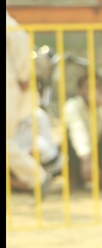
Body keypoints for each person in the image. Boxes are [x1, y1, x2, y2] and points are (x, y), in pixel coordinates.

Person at [6, 10, 62, 190]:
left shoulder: (9, 24)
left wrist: (23, 76)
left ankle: (37, 177)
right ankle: (37, 177)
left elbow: (22, 42)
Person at [64, 70, 102, 189]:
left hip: (97, 151)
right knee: (69, 137)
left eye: (97, 86)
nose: (93, 90)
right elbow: (77, 131)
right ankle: (73, 180)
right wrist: (86, 159)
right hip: (79, 154)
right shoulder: (72, 106)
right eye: (88, 87)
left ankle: (101, 179)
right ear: (80, 90)